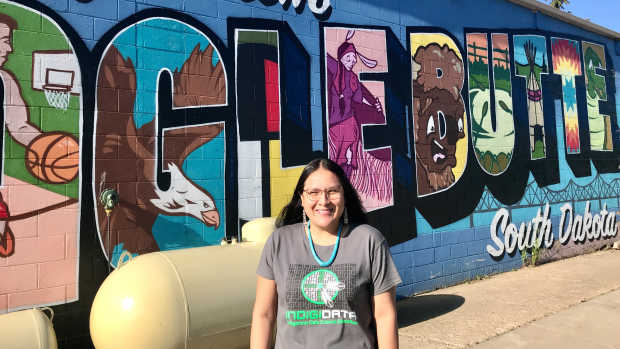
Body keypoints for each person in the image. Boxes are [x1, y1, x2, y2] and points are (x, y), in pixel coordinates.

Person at [250, 158, 401, 349]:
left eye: (333, 191)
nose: (324, 200)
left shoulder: (369, 241)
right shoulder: (279, 242)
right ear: (302, 198)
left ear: (344, 196)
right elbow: (264, 313)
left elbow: (384, 314)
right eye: (313, 192)